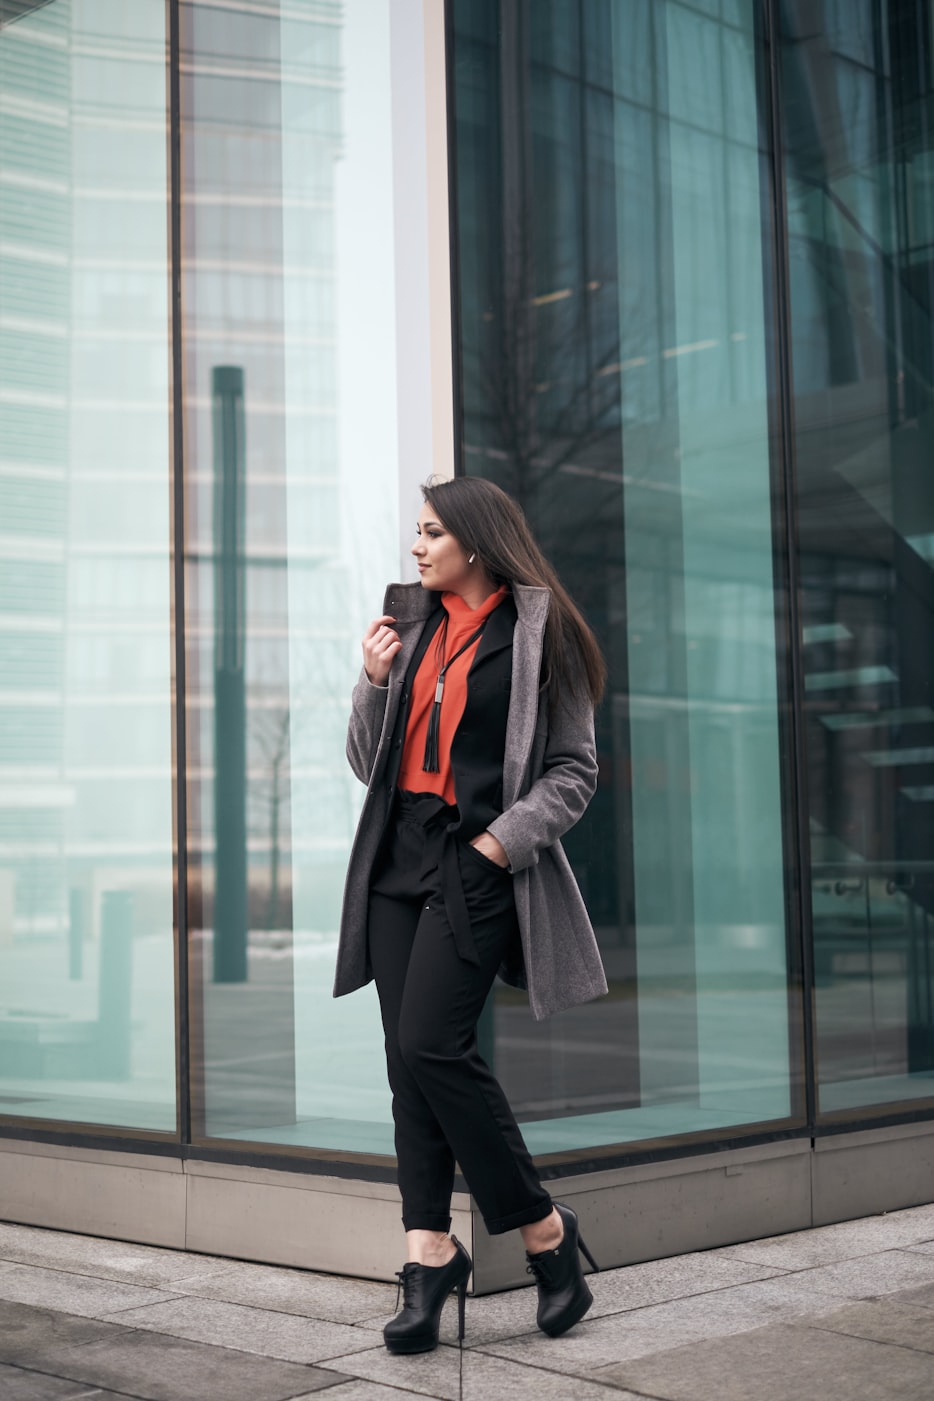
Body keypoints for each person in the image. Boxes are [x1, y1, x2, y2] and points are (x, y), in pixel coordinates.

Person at [334, 475, 608, 1354]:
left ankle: (543, 1231)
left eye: (430, 533)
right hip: (395, 860)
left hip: (476, 858)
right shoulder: (409, 627)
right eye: (416, 534)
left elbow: (574, 769)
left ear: (477, 543)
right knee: (407, 1065)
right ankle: (428, 1255)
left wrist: (499, 844)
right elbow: (364, 760)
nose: (416, 547)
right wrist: (372, 682)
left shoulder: (540, 633)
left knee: (432, 1044)